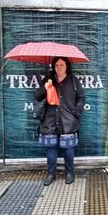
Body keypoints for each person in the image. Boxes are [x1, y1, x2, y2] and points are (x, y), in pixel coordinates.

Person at [35, 57, 85, 186]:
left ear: (67, 66)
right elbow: (37, 96)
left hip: (68, 120)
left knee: (68, 149)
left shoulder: (73, 81)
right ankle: (51, 173)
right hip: (49, 120)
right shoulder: (48, 80)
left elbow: (81, 97)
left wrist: (76, 112)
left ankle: (69, 172)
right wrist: (45, 88)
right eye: (56, 65)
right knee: (51, 148)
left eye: (62, 64)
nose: (59, 67)